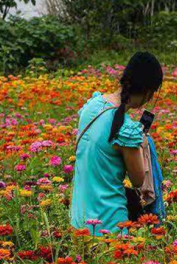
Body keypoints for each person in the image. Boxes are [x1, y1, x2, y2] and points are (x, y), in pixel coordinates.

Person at [70, 52, 163, 234]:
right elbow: (138, 180)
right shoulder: (126, 130)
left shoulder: (92, 106)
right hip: (111, 226)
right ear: (148, 91)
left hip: (79, 222)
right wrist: (141, 144)